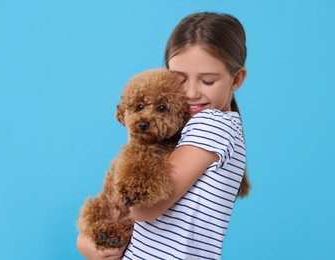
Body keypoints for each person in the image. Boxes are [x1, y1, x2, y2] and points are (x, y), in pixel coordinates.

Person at [77, 11, 250, 259]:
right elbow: (118, 205)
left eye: (208, 81)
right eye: (179, 80)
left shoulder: (212, 125)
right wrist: (88, 243)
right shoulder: (177, 132)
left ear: (236, 79)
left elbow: (142, 208)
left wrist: (135, 137)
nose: (191, 93)